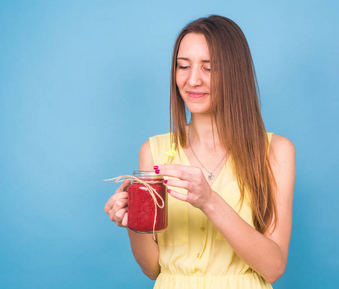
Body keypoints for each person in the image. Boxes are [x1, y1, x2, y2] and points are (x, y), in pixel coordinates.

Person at [104, 15, 296, 289]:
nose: (193, 80)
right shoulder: (154, 151)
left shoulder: (276, 151)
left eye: (209, 68)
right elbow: (152, 268)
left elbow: (274, 267)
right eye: (183, 66)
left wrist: (209, 200)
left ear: (235, 73)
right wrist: (133, 223)